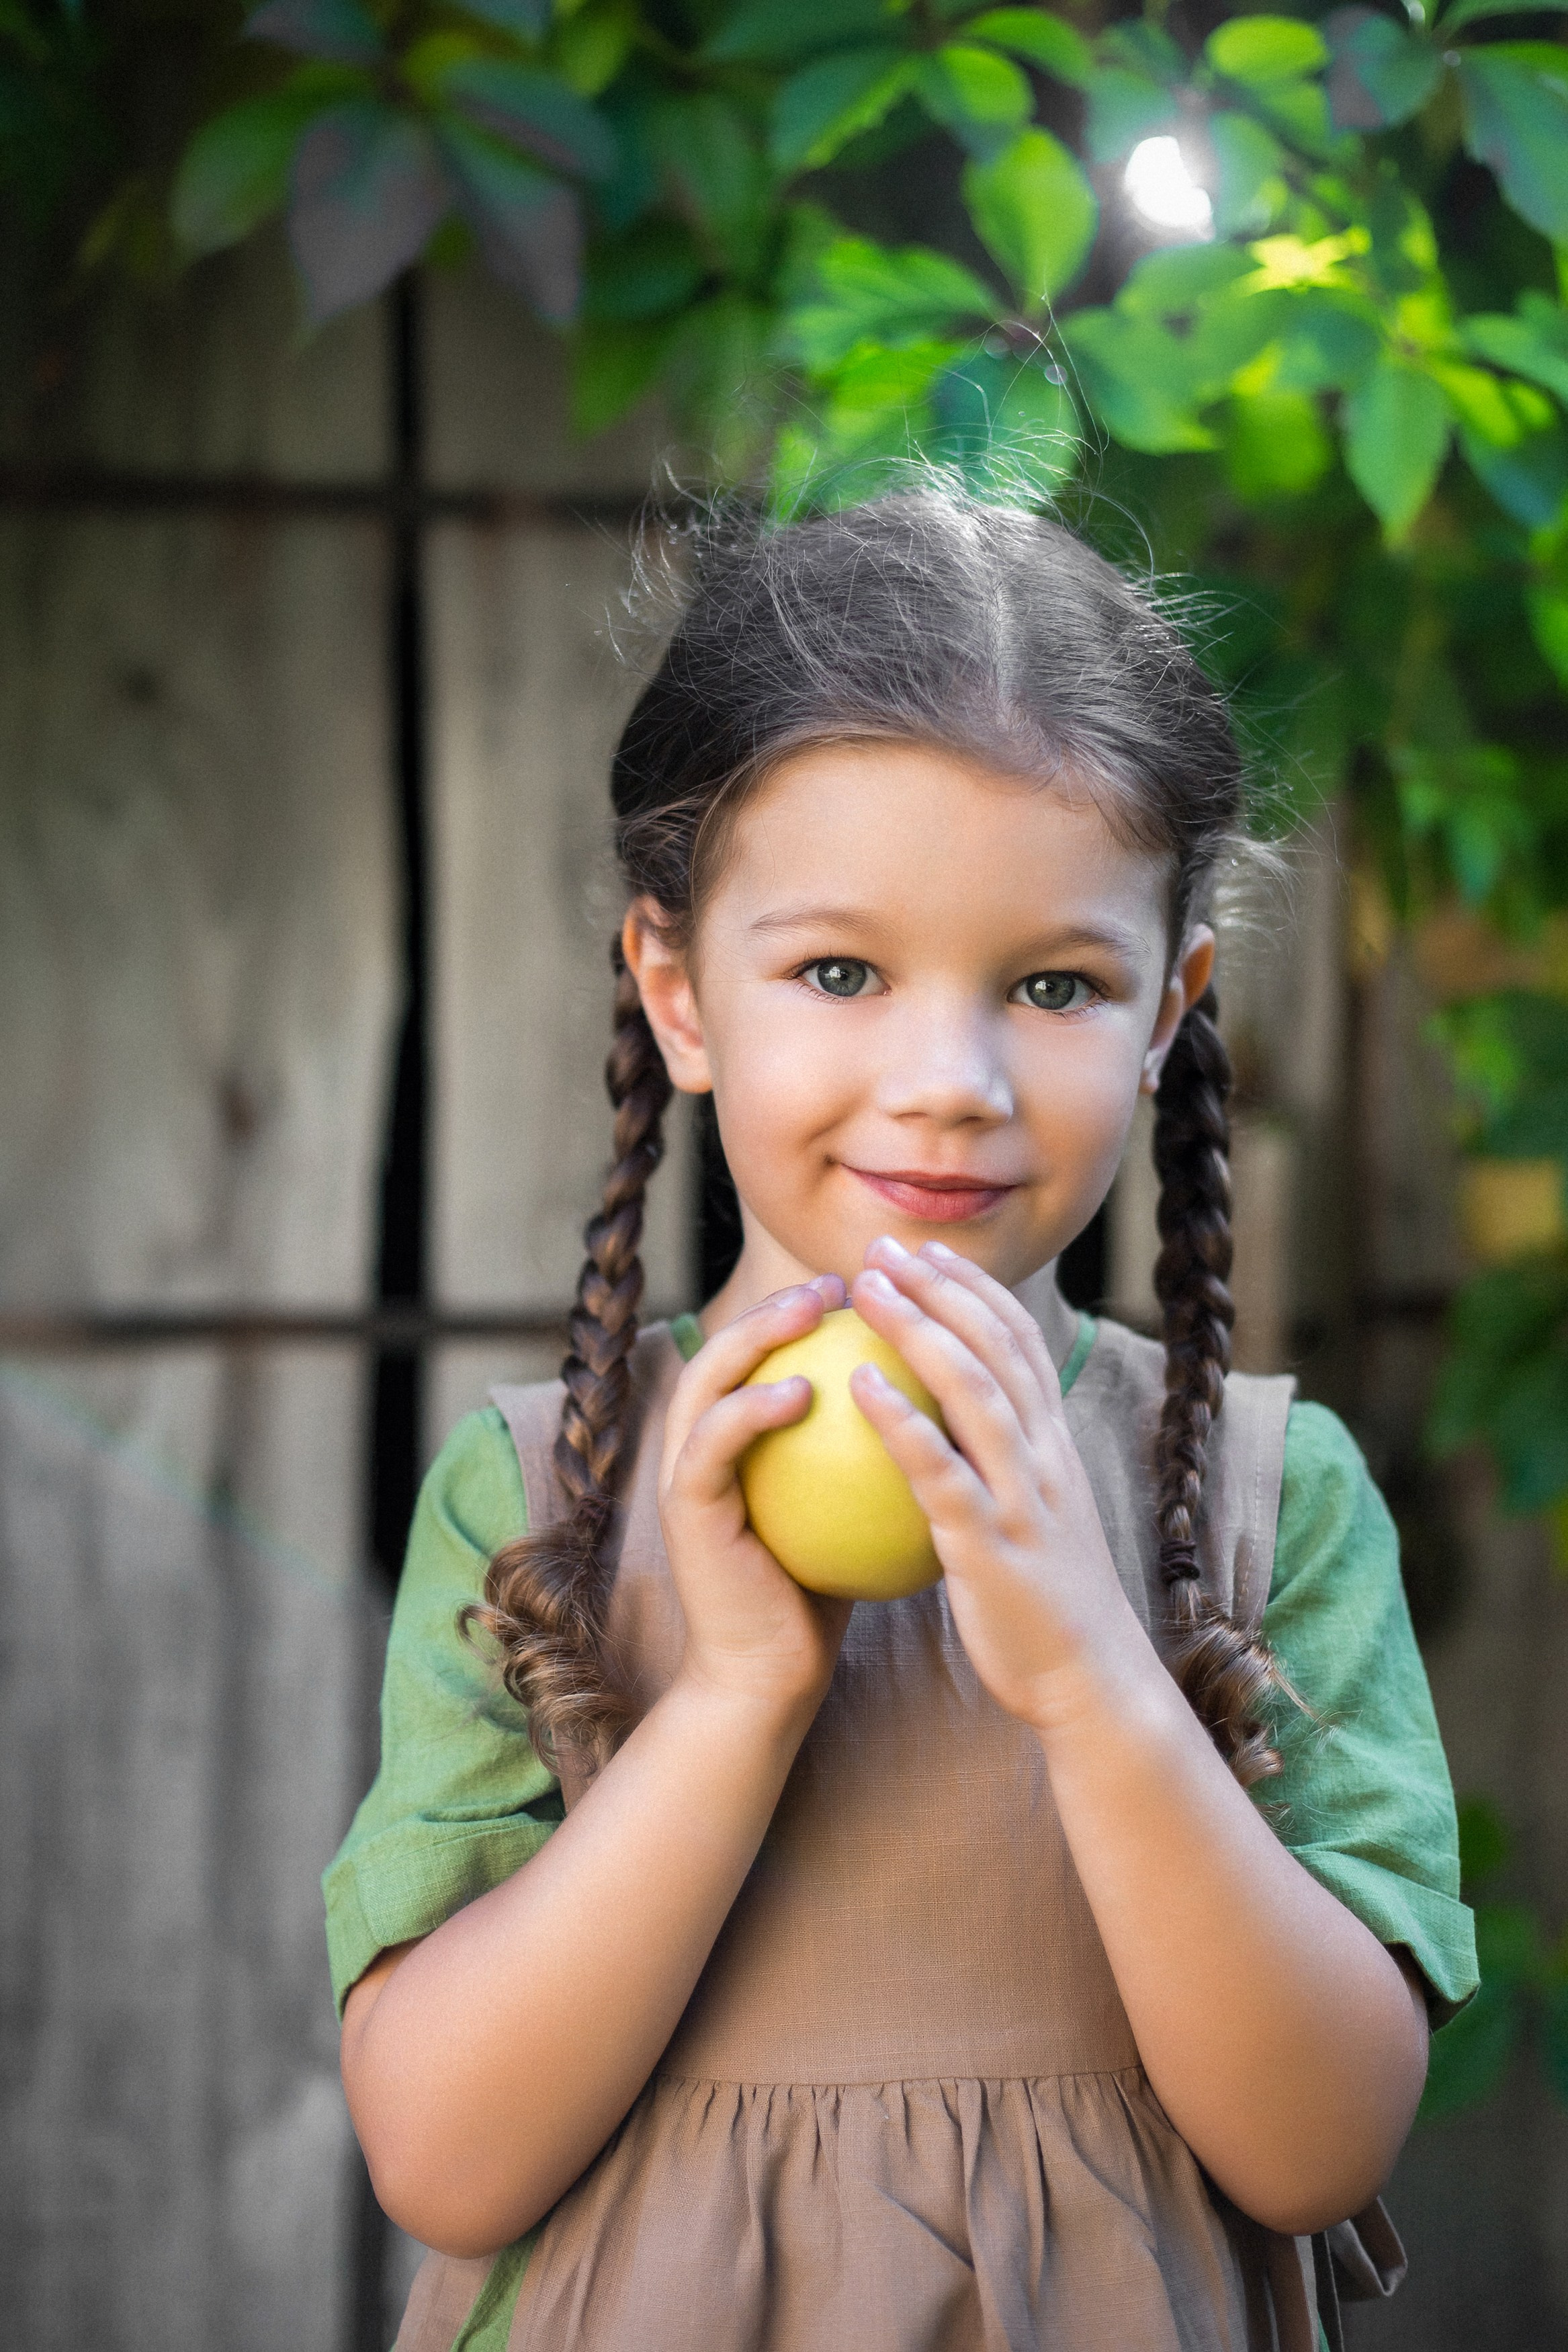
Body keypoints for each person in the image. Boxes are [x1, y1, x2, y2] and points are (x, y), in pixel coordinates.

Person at [324, 491, 1478, 2352]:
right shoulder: (545, 1488)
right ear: (681, 988)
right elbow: (445, 2162)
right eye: (841, 971)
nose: (946, 1087)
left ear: (1171, 1007)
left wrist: (1095, 1670)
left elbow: (1318, 2146)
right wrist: (731, 1700)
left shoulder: (1267, 1498)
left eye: (1053, 984)